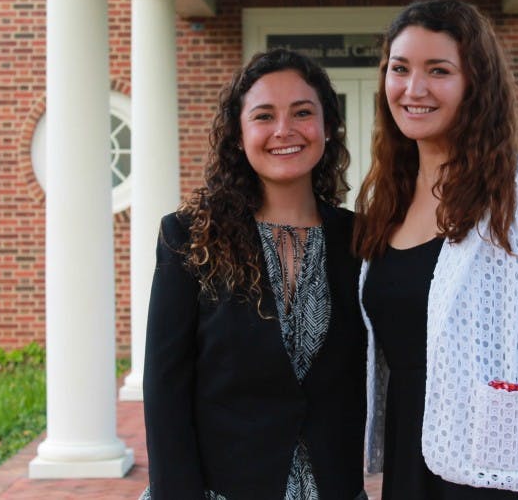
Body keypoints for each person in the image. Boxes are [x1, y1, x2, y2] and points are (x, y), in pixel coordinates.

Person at [353, 0, 518, 500]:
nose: (413, 89)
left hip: (496, 472)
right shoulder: (386, 197)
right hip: (410, 459)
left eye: (438, 71)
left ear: (475, 83)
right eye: (399, 69)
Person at [142, 49, 367, 500]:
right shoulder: (187, 236)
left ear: (327, 127)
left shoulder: (360, 240)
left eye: (302, 113)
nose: (284, 130)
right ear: (239, 135)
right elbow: (164, 386)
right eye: (264, 116)